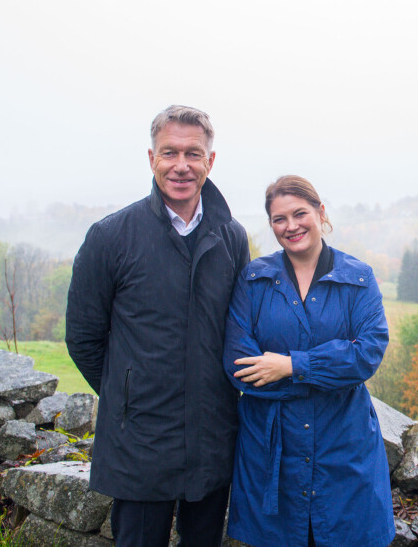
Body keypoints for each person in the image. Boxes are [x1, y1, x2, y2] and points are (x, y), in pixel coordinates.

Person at [65, 105, 249, 546]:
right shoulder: (111, 236)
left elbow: (239, 329)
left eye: (193, 153)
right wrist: (129, 395)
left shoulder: (232, 237)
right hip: (139, 441)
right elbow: (84, 338)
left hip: (211, 436)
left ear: (210, 161)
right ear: (152, 159)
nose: (181, 165)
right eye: (170, 153)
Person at [223, 175, 395, 546]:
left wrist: (290, 367)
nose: (291, 226)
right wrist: (329, 375)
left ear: (320, 212)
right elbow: (239, 365)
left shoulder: (358, 279)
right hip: (271, 451)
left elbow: (366, 355)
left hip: (343, 447)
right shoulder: (253, 280)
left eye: (300, 213)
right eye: (279, 219)